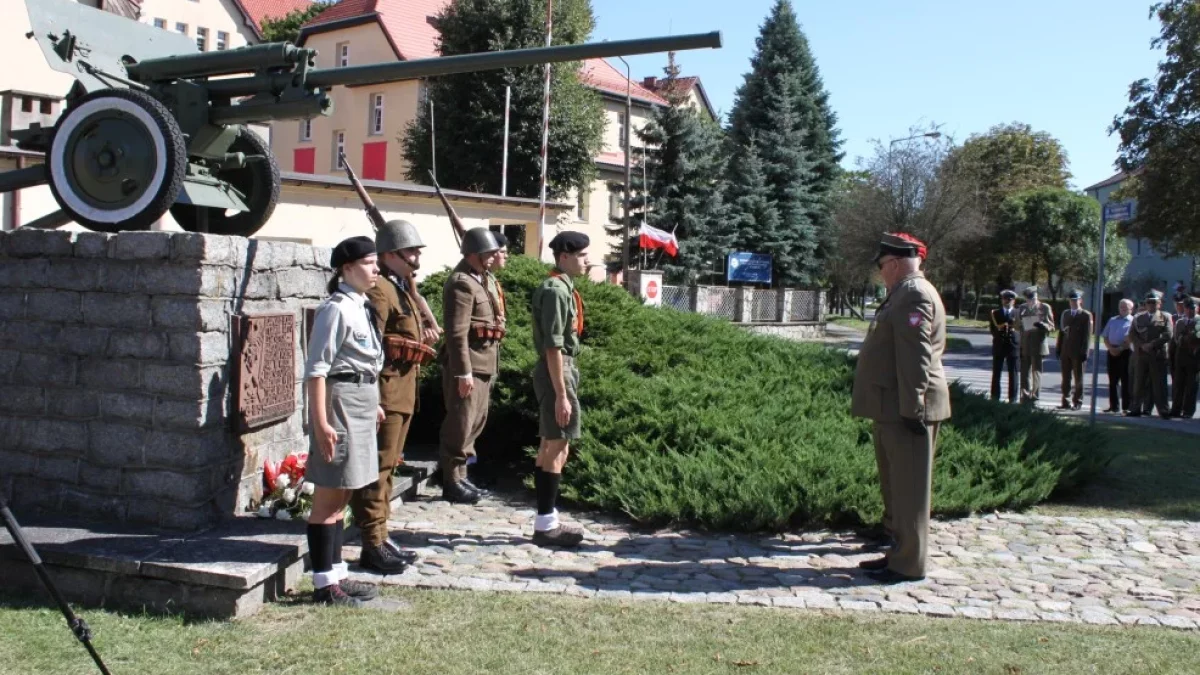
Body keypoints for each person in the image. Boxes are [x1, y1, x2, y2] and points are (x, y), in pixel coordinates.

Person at [851, 232, 950, 584]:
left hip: (906, 407)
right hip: (892, 405)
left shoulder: (913, 293)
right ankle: (898, 552)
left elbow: (916, 356)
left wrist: (913, 408)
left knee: (910, 491)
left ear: (893, 263)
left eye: (882, 267)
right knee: (897, 489)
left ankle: (908, 564)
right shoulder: (904, 292)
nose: (881, 273)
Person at [303, 236, 386, 607]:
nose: (376, 269)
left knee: (345, 493)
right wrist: (320, 423)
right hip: (340, 403)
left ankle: (337, 575)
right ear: (346, 268)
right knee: (329, 495)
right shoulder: (335, 309)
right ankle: (323, 585)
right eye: (369, 263)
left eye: (376, 262)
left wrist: (376, 404)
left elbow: (366, 363)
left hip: (362, 400)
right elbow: (317, 371)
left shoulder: (361, 305)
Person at [348, 221, 432, 574]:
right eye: (410, 251)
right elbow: (372, 345)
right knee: (377, 468)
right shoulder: (381, 290)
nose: (415, 258)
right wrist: (377, 398)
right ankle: (372, 542)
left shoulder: (400, 287)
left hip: (403, 390)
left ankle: (381, 536)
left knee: (387, 467)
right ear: (389, 255)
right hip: (387, 391)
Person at [528, 231, 593, 548]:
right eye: (581, 255)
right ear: (564, 257)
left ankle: (546, 520)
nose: (587, 261)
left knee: (550, 446)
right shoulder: (556, 290)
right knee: (557, 446)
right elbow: (554, 346)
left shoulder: (562, 288)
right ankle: (546, 526)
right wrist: (562, 395)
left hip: (559, 369)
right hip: (558, 370)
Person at [438, 227, 503, 503]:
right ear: (474, 254)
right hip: (469, 367)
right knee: (460, 424)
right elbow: (456, 332)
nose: (493, 258)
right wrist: (462, 371)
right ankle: (452, 482)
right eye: (489, 253)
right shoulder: (461, 283)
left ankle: (463, 477)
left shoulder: (482, 279)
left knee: (475, 423)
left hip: (484, 364)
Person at [1128, 290, 1174, 418]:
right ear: (1145, 303)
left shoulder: (1165, 316)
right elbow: (1132, 334)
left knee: (1159, 385)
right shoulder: (1139, 317)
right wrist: (1141, 345)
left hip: (1157, 355)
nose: (1151, 305)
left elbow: (1168, 334)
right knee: (1138, 383)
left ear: (1159, 303)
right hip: (1142, 354)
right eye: (1149, 302)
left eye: (1154, 302)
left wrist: (1152, 344)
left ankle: (1163, 410)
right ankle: (1135, 408)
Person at [1015, 286, 1055, 403]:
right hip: (1025, 343)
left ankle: (1035, 395)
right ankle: (1024, 395)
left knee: (1036, 371)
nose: (1030, 302)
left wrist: (1043, 326)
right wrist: (1020, 320)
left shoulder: (1044, 307)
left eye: (1033, 300)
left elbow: (1052, 326)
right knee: (1024, 372)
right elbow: (1016, 326)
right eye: (1028, 300)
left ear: (1036, 298)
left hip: (1038, 344)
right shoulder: (1022, 308)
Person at [1056, 289, 1093, 410]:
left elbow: (1087, 336)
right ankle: (1065, 401)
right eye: (1072, 300)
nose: (1073, 302)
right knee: (1065, 378)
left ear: (1080, 301)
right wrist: (1058, 348)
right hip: (1065, 350)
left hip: (1078, 351)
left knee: (1078, 378)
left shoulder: (1085, 315)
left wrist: (1085, 351)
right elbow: (1062, 332)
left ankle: (1078, 401)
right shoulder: (1066, 314)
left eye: (1076, 300)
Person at [1100, 299, 1135, 413]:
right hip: (1112, 351)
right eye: (1121, 307)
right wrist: (1111, 348)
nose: (1122, 309)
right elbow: (1105, 336)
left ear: (1131, 309)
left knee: (1126, 380)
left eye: (1125, 307)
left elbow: (1131, 338)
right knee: (1113, 380)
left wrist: (1120, 348)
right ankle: (1113, 406)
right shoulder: (1112, 320)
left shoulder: (1133, 321)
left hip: (1126, 352)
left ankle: (1126, 407)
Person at [1169, 296, 1199, 419]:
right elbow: (1175, 339)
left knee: (1191, 386)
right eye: (1187, 308)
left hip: (1194, 358)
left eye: (1192, 308)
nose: (1189, 311)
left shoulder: (1199, 321)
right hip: (1180, 357)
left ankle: (1188, 411)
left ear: (1196, 309)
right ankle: (1175, 409)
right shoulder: (1180, 322)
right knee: (1178, 384)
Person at [989, 290, 1020, 403]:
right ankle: (995, 397)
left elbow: (1021, 328)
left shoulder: (1018, 313)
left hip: (1013, 346)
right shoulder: (995, 313)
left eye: (1009, 300)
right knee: (996, 372)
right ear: (1002, 300)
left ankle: (1013, 398)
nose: (1007, 302)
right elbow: (993, 329)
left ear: (1013, 301)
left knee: (1014, 373)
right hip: (999, 345)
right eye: (1005, 299)